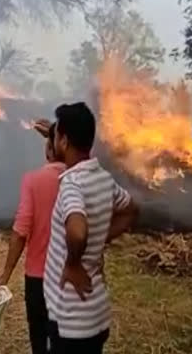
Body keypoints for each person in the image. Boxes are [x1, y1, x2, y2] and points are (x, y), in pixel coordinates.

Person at [43, 102, 138, 354]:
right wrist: (102, 237)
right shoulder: (103, 178)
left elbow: (77, 230)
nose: (53, 141)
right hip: (95, 314)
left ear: (63, 141)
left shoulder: (71, 186)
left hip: (71, 320)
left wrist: (73, 264)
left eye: (56, 135)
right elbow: (130, 210)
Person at [0, 121, 65, 354]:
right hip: (73, 279)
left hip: (39, 278)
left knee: (39, 337)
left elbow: (21, 231)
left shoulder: (34, 181)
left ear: (49, 150)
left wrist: (5, 274)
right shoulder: (83, 178)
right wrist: (55, 132)